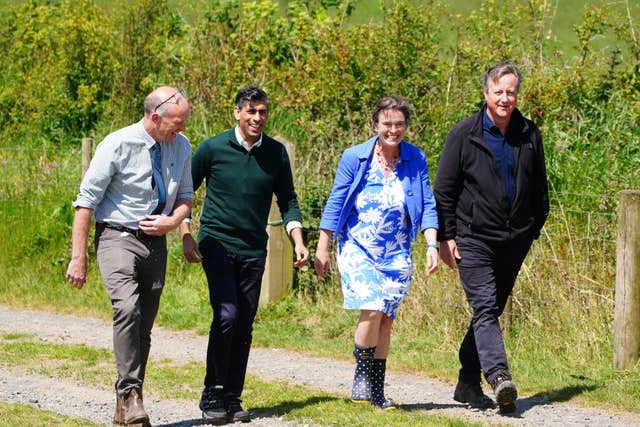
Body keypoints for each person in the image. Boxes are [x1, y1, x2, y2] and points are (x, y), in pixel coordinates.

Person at [180, 85, 310, 423]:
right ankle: (212, 391)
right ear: (237, 112)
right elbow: (183, 194)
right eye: (251, 111)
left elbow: (289, 200)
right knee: (226, 315)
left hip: (254, 248)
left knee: (244, 322)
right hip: (216, 243)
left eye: (262, 111)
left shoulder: (276, 154)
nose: (257, 117)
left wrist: (298, 240)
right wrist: (185, 235)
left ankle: (232, 396)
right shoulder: (212, 149)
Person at [66, 86, 193, 425]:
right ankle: (130, 394)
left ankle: (128, 405)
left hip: (156, 243)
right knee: (127, 308)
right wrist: (78, 257)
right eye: (177, 123)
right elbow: (85, 202)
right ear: (155, 117)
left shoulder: (182, 147)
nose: (182, 129)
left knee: (144, 327)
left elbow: (185, 197)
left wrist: (174, 221)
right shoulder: (117, 144)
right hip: (117, 237)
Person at [434, 62, 549, 413]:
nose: (504, 98)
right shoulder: (465, 134)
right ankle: (499, 377)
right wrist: (446, 236)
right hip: (473, 237)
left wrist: (532, 229)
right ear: (486, 94)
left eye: (510, 92)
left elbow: (539, 189)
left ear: (517, 95)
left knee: (492, 309)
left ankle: (468, 382)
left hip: (515, 240)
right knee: (484, 307)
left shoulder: (529, 133)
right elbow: (444, 190)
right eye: (498, 91)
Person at [314, 95, 439, 410]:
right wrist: (323, 245)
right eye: (387, 124)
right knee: (371, 307)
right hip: (358, 246)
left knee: (385, 319)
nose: (393, 130)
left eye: (399, 124)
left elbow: (427, 205)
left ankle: (378, 390)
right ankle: (362, 377)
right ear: (375, 125)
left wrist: (431, 243)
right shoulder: (355, 157)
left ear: (405, 127)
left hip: (396, 252)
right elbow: (336, 202)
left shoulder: (415, 158)